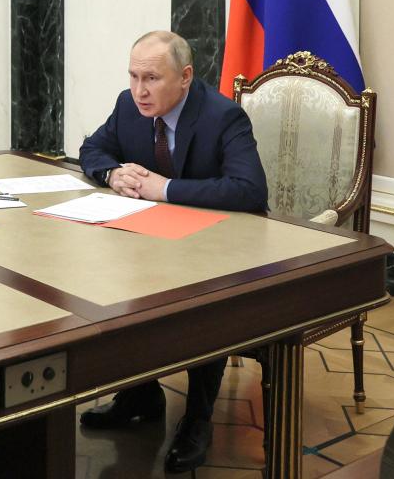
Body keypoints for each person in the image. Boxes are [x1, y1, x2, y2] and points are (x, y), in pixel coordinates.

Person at [77, 30, 268, 474]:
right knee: (119, 286)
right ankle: (141, 393)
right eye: (133, 76)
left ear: (184, 77)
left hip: (221, 247)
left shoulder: (224, 117)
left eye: (152, 79)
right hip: (153, 243)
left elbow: (250, 190)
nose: (139, 91)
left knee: (204, 305)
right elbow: (93, 148)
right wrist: (111, 175)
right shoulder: (129, 107)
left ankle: (198, 419)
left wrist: (165, 189)